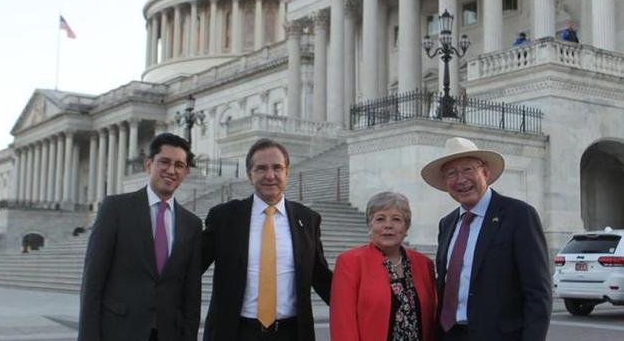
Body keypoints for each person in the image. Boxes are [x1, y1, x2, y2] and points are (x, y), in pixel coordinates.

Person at [420, 137, 552, 341]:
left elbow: (537, 292)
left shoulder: (518, 215)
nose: (461, 180)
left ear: (486, 172)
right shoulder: (446, 224)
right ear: (446, 183)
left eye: (467, 170)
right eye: (452, 173)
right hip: (450, 335)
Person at [202, 138, 332, 341]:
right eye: (261, 168)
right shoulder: (224, 217)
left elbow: (321, 277)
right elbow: (192, 267)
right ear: (249, 174)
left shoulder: (307, 219)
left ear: (287, 172)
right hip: (236, 332)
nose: (270, 175)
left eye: (277, 168)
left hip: (291, 333)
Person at [78, 133, 202, 341]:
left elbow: (192, 293)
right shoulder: (115, 209)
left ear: (186, 172)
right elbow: (93, 281)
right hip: (119, 331)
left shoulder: (192, 224)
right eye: (164, 162)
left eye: (179, 165)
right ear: (148, 164)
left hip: (169, 333)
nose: (171, 170)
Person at [330, 192, 437, 341]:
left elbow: (432, 320)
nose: (388, 225)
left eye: (396, 219)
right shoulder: (350, 263)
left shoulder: (424, 264)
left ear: (406, 227)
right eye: (380, 219)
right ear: (370, 224)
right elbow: (343, 324)